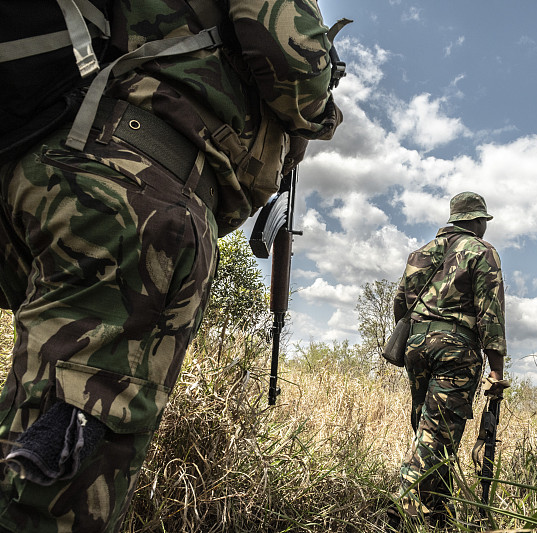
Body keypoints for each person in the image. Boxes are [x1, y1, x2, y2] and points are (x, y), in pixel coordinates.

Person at [0, 1, 342, 531]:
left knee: (40, 412)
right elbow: (292, 58)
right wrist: (325, 105)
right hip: (131, 192)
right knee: (56, 493)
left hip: (42, 164)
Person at [389, 191, 507, 527]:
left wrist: (417, 338)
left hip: (416, 346)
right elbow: (490, 312)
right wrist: (496, 370)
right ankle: (401, 508)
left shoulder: (419, 253)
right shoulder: (482, 251)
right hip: (456, 349)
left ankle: (439, 517)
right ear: (477, 221)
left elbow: (400, 304)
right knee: (436, 435)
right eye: (484, 221)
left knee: (429, 430)